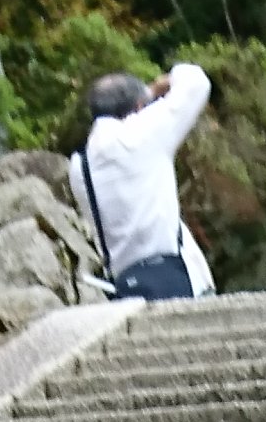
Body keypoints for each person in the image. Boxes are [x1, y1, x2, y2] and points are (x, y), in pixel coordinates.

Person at [70, 65, 214, 300]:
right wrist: (155, 87)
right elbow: (197, 82)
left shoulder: (79, 167)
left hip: (125, 287)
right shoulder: (143, 133)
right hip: (173, 277)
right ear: (138, 108)